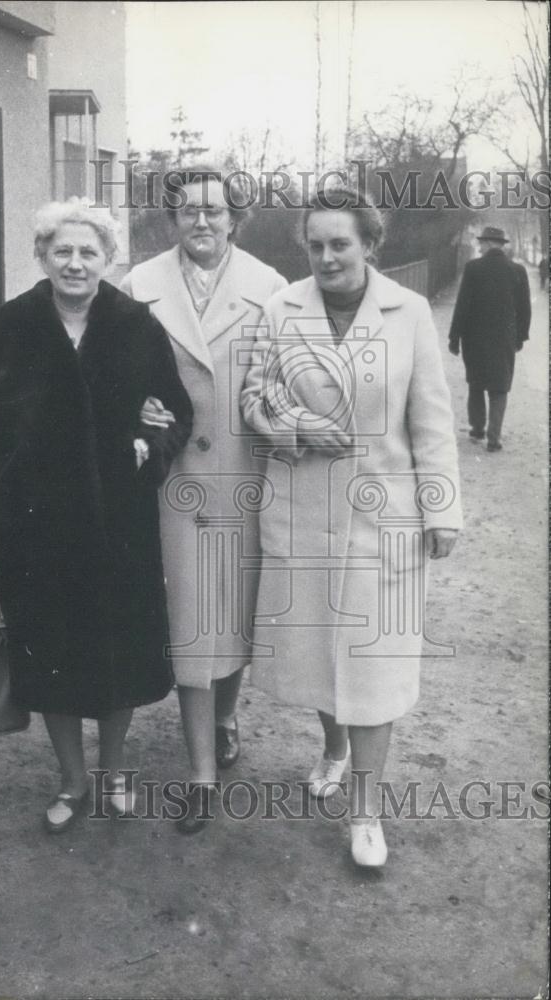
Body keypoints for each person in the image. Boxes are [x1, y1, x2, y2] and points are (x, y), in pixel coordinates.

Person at [241, 186, 462, 866]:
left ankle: (365, 812)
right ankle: (332, 747)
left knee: (373, 663)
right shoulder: (281, 309)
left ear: (370, 244)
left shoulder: (409, 312)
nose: (327, 257)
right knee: (318, 658)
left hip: (381, 514)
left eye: (340, 243)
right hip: (303, 508)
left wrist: (441, 507)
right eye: (315, 245)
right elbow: (253, 397)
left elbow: (430, 416)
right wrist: (296, 427)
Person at [0, 202, 193, 833]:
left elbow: (175, 409)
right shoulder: (13, 326)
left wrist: (151, 445)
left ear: (107, 259)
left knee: (117, 655)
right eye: (62, 251)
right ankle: (71, 780)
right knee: (51, 655)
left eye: (88, 252)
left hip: (118, 522)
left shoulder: (135, 325)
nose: (75, 263)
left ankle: (115, 774)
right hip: (33, 527)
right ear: (42, 257)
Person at [120, 166, 287, 833]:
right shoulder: (139, 285)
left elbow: (282, 380)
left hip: (246, 476)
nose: (201, 222)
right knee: (191, 617)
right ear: (171, 218)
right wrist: (139, 408)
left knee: (236, 614)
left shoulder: (268, 286)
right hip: (176, 479)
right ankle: (199, 776)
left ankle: (224, 718)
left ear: (233, 218)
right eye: (188, 211)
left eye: (214, 211)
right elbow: (118, 378)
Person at [448, 226, 531, 452]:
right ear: (501, 245)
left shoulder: (473, 268)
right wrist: (520, 336)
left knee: (476, 383)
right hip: (504, 338)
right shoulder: (517, 270)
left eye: (482, 242)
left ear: (489, 244)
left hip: (474, 338)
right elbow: (524, 309)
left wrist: (454, 337)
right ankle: (494, 438)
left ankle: (477, 429)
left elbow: (462, 306)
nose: (480, 246)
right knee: (499, 387)